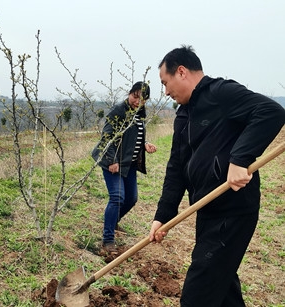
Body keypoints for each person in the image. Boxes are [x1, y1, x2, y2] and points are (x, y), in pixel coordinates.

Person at [148, 45, 285, 306]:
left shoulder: (220, 93)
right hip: (207, 210)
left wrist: (239, 159)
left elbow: (271, 112)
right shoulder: (183, 115)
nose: (165, 91)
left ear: (181, 71)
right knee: (222, 288)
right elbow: (176, 167)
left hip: (232, 210)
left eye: (165, 83)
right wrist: (162, 216)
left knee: (198, 294)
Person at [92, 81, 157, 255]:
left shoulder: (139, 113)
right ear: (130, 94)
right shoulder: (118, 112)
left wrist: (144, 144)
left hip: (128, 163)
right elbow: (107, 137)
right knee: (117, 197)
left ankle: (112, 222)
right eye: (135, 96)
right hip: (112, 162)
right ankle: (107, 240)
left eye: (142, 99)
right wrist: (112, 160)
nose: (137, 101)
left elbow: (133, 134)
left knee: (131, 199)